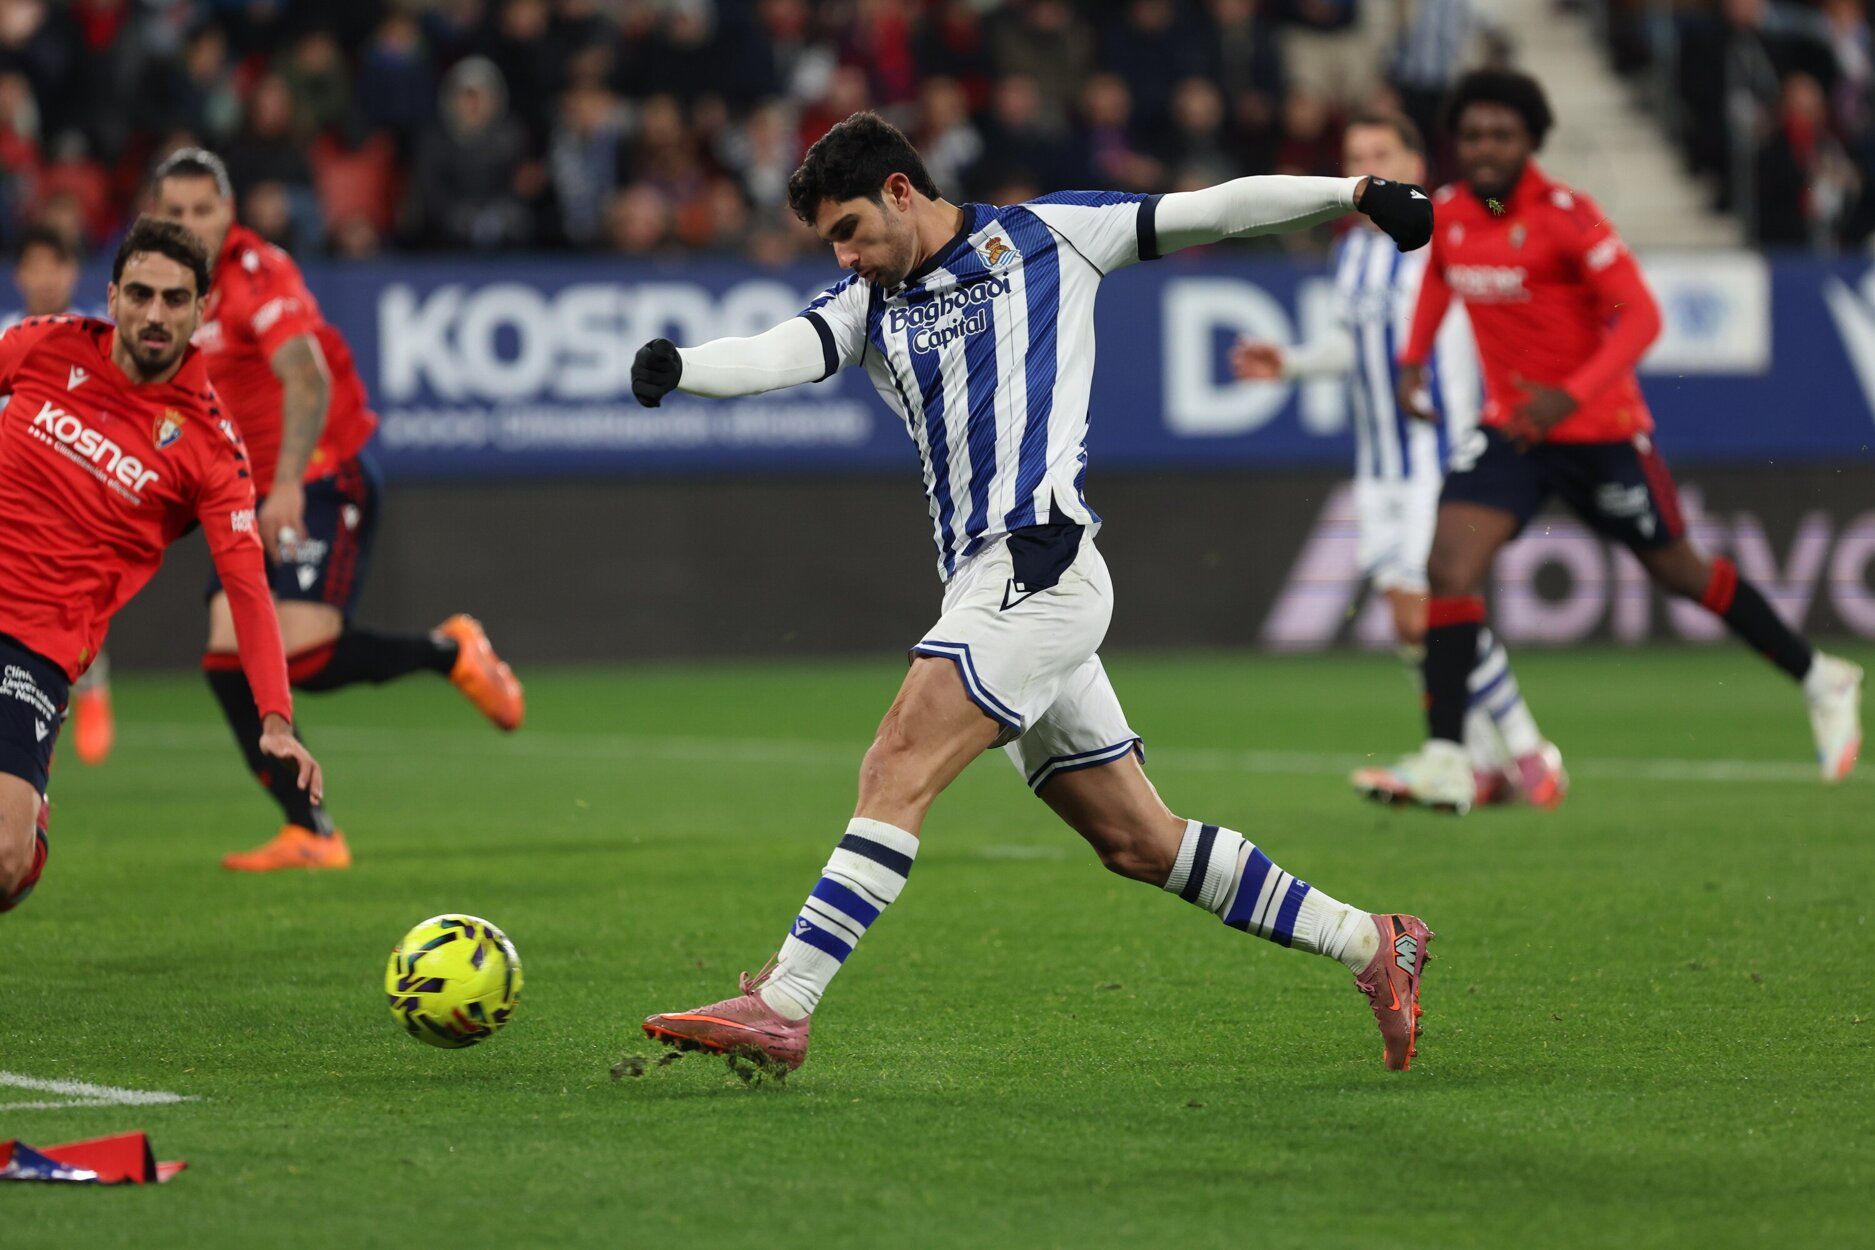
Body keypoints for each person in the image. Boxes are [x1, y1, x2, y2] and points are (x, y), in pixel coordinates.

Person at [629, 112, 1439, 1073]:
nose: (844, 255)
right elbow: (776, 353)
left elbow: (1214, 211)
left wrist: (1346, 195)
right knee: (1140, 842)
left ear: (898, 189)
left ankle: (784, 1000)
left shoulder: (1051, 236)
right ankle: (1373, 942)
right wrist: (684, 369)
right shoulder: (868, 305)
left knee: (897, 759)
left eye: (848, 228)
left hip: (1039, 565)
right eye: (830, 244)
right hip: (987, 583)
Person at [1371, 70, 1861, 813]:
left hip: (1598, 431)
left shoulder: (1568, 217)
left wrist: (1569, 393)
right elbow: (1439, 276)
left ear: (1531, 140)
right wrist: (1413, 359)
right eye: (1471, 135)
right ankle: (1446, 755)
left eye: (1501, 134)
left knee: (1681, 573)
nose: (1484, 148)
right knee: (1448, 563)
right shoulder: (1451, 214)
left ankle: (1819, 675)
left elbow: (1640, 319)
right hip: (1513, 430)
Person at [151, 149, 524, 873]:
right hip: (247, 493)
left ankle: (451, 651)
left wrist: (287, 480)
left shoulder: (257, 272)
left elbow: (305, 374)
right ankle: (313, 831)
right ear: (154, 216)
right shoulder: (167, 288)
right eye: (176, 213)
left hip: (320, 477)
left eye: (204, 210)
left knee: (301, 654)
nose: (191, 224)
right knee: (229, 661)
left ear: (229, 212)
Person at [1229, 112, 1564, 809]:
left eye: (1382, 153)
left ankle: (1529, 748)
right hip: (1377, 464)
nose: (1370, 166)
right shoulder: (1351, 250)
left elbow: (1507, 227)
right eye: (1357, 157)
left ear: (1415, 161)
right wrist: (1288, 363)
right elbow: (1359, 351)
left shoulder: (1449, 228)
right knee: (1411, 624)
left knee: (1431, 608)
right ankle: (1477, 765)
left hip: (1436, 453)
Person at [0, 217, 322, 914]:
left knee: (5, 863)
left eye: (175, 300)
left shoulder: (210, 446)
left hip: (34, 647)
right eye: (140, 294)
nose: (155, 314)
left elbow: (246, 585)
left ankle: (30, 834)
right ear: (112, 295)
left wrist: (275, 718)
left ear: (201, 311)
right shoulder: (44, 346)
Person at [8, 225, 118, 768]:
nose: (46, 277)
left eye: (57, 264)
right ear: (18, 274)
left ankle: (89, 681)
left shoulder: (99, 337)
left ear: (73, 272)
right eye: (35, 265)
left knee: (67, 607)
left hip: (73, 501)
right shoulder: (4, 335)